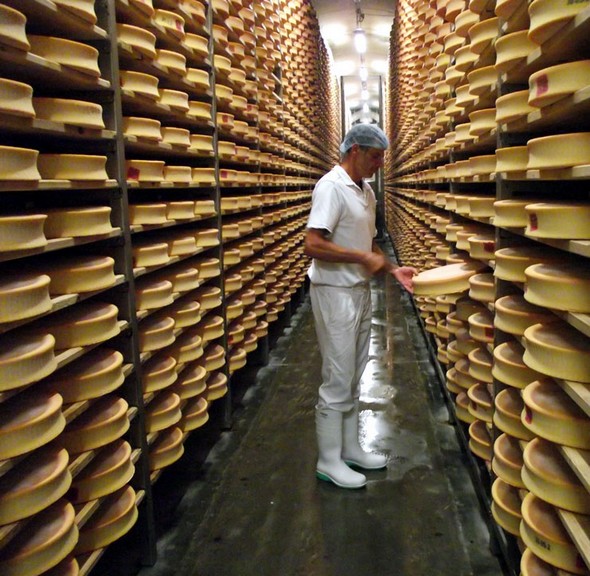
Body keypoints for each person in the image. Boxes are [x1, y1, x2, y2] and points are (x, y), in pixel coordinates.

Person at [304, 123, 417, 489]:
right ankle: (328, 459)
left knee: (354, 374)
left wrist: (392, 268)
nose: (380, 164)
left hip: (359, 291)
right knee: (337, 377)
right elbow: (313, 244)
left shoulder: (366, 192)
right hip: (333, 293)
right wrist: (358, 257)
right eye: (375, 156)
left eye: (382, 157)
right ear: (354, 150)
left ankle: (351, 449)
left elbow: (370, 245)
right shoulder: (331, 187)